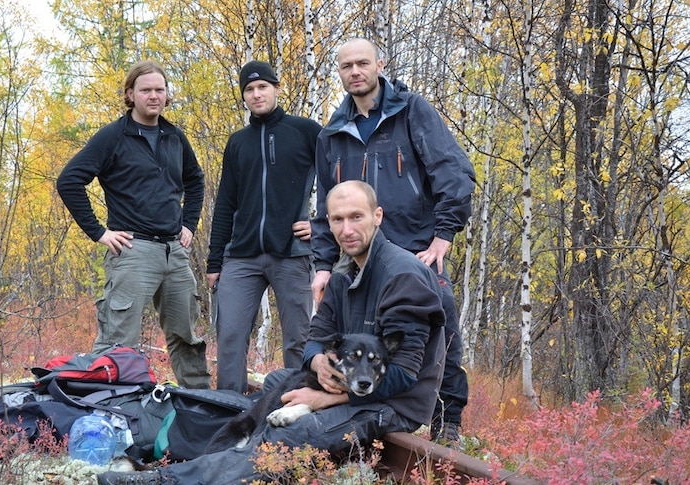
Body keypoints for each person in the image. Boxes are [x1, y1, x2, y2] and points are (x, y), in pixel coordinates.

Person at [99, 180, 446, 485]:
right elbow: (315, 340)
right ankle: (224, 452)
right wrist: (318, 365)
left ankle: (164, 480)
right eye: (337, 220)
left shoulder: (403, 277)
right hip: (348, 384)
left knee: (289, 431)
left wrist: (325, 398)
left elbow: (402, 376)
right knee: (278, 382)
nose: (346, 229)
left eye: (356, 217)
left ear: (378, 216)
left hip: (394, 404)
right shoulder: (342, 274)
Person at [311, 38, 476, 446]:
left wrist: (443, 235)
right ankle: (363, 412)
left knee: (442, 333)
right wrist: (321, 264)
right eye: (346, 65)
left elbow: (453, 171)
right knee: (362, 339)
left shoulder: (412, 112)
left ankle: (447, 421)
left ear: (379, 65)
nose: (355, 71)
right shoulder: (332, 133)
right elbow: (325, 204)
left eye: (362, 63)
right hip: (357, 256)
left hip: (415, 248)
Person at [56, 60, 211, 389]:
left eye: (160, 89)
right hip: (133, 251)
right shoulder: (112, 137)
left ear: (167, 95)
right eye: (146, 90)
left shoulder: (174, 137)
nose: (154, 96)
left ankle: (200, 406)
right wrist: (98, 232)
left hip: (175, 251)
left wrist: (189, 224)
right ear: (130, 94)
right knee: (119, 341)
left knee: (186, 335)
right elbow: (69, 181)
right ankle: (110, 411)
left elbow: (195, 182)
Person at [207, 60, 322, 393]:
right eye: (249, 89)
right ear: (243, 96)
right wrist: (215, 261)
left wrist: (322, 224)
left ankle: (296, 409)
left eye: (262, 87)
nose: (256, 94)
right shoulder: (237, 143)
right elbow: (225, 203)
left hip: (291, 252)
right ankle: (228, 409)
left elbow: (339, 179)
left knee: (298, 339)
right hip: (241, 255)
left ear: (276, 88)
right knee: (229, 334)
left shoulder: (305, 131)